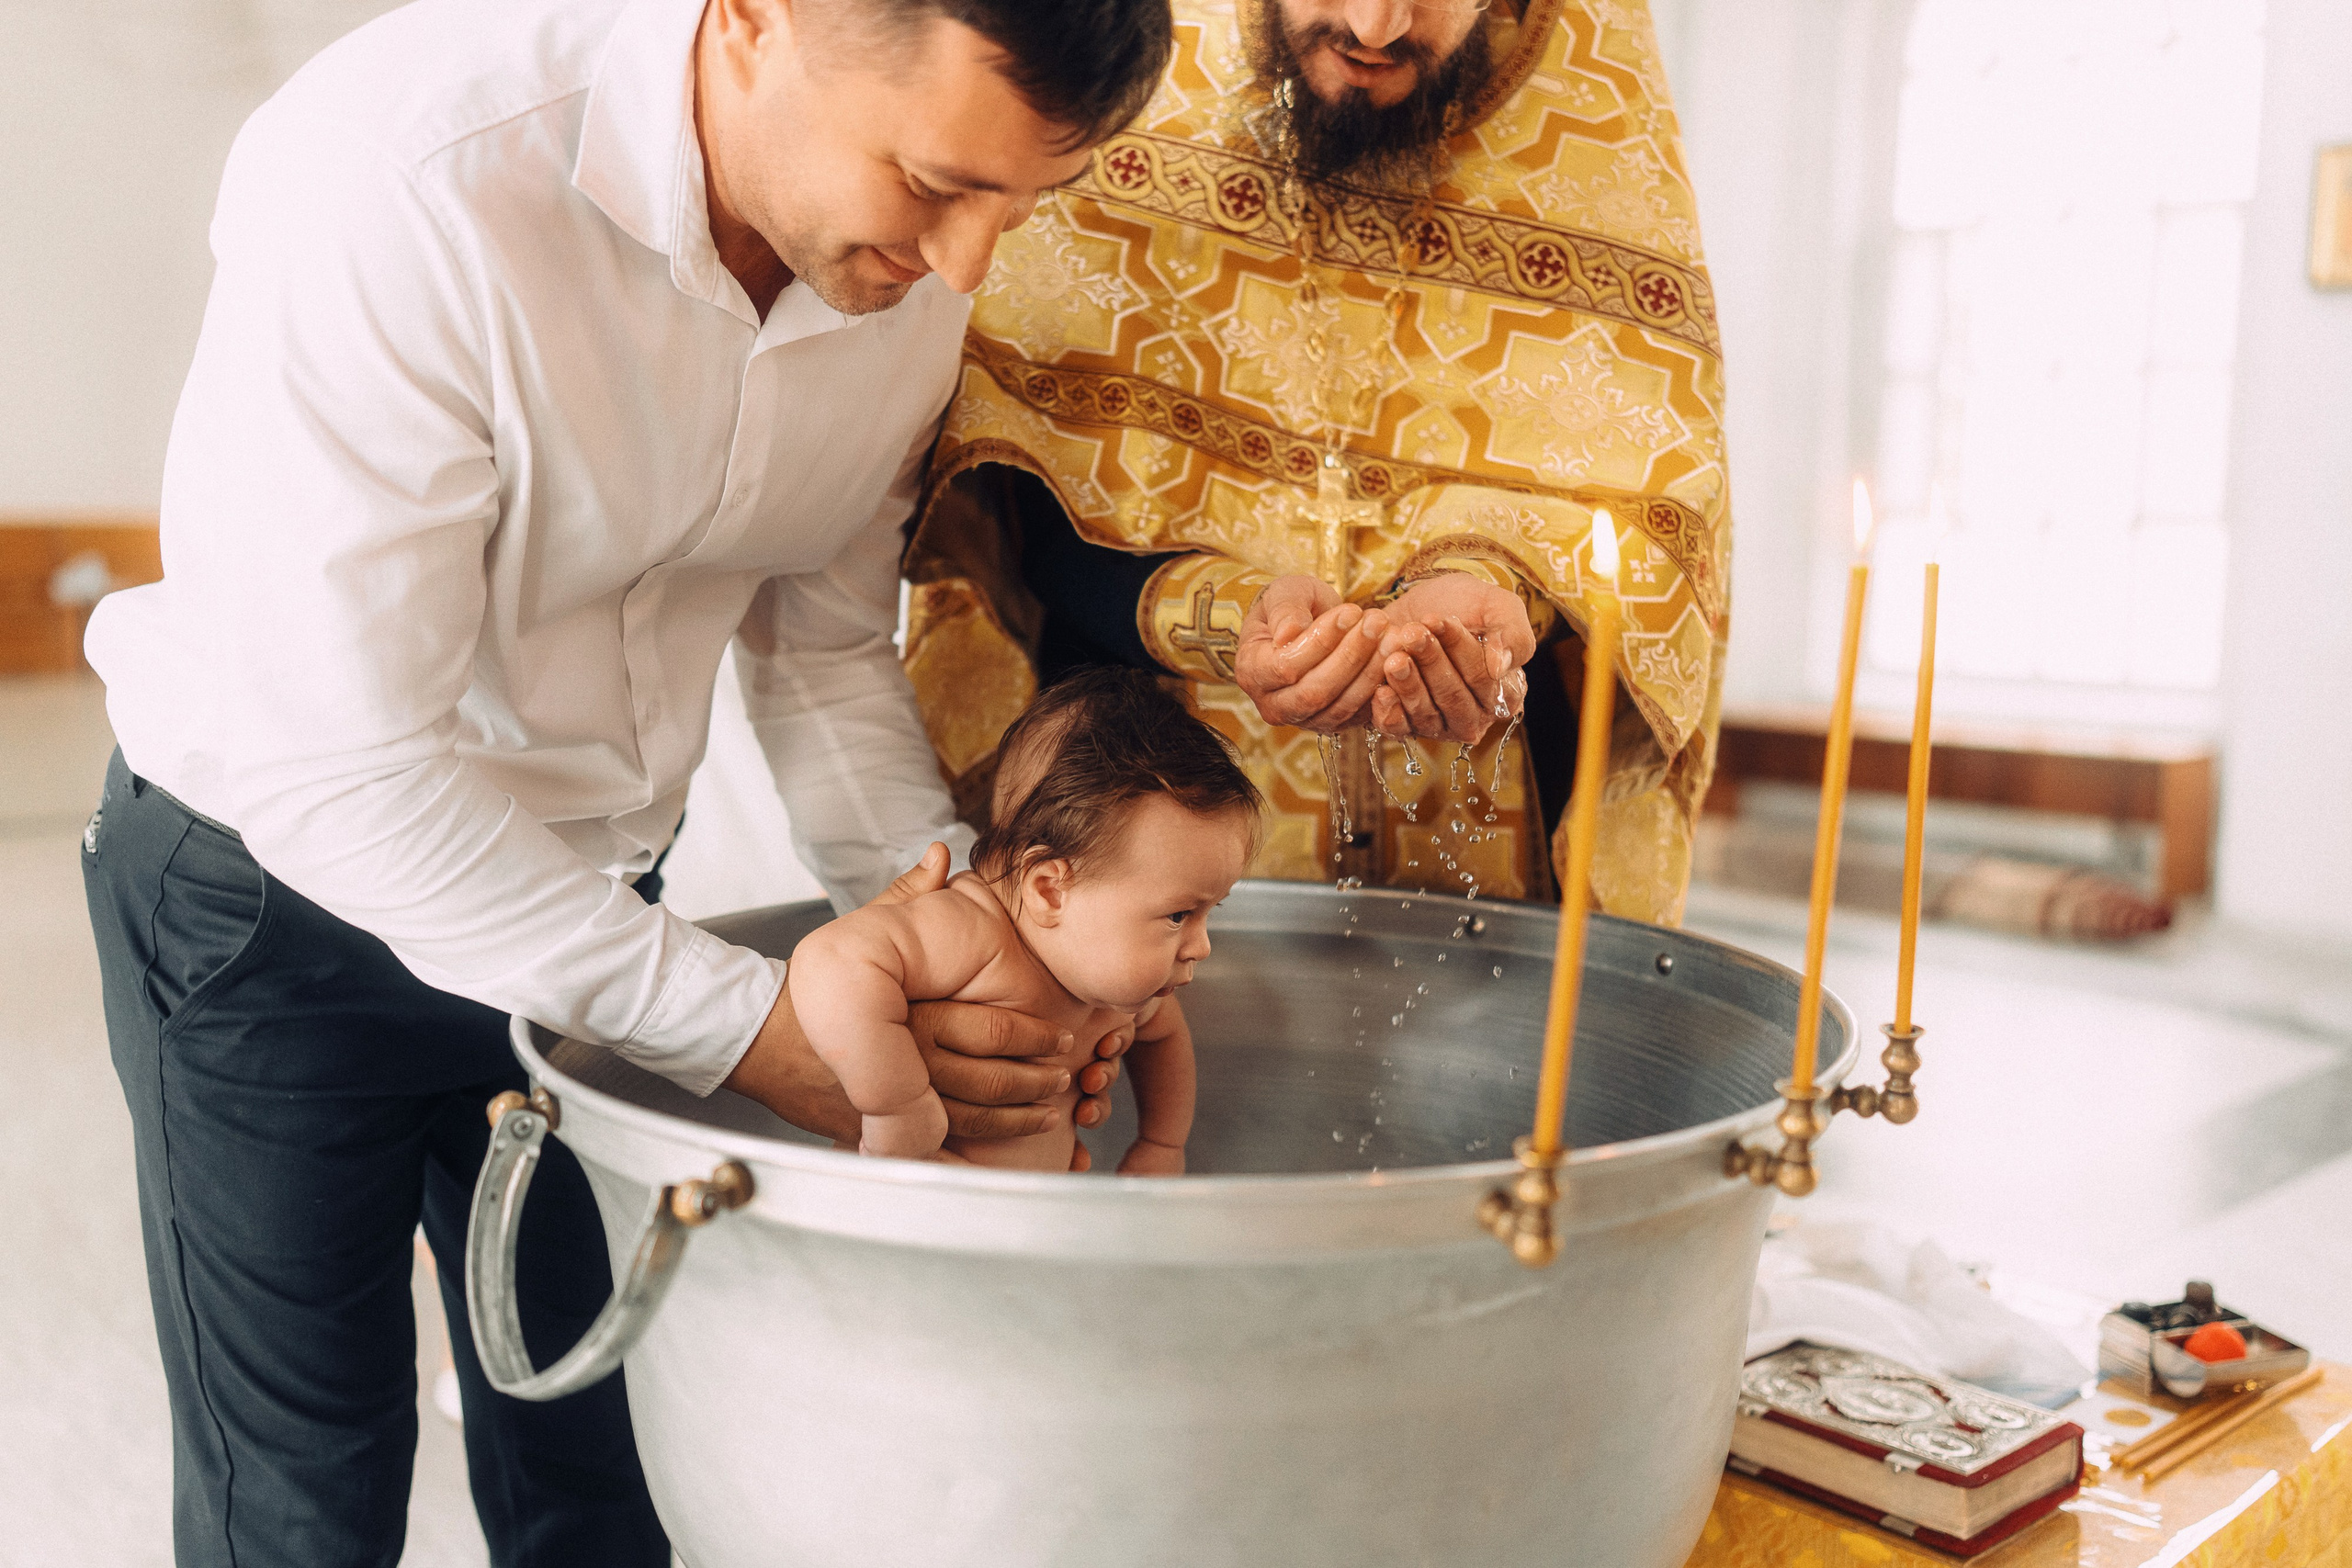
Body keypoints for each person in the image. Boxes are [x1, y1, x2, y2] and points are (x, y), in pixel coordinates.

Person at [77, 0, 1172, 1562]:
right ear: (755, 24)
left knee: (612, 1463)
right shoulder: (397, 180)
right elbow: (342, 767)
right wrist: (754, 1025)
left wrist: (974, 923)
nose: (972, 266)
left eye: (1022, 200)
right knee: (303, 1498)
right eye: (935, 181)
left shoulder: (909, 272)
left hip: (602, 902)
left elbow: (822, 652)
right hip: (270, 906)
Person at [903, 0, 1731, 924]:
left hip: (1488, 848)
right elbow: (1011, 474)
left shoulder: (1593, 104)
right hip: (1124, 824)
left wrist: (1488, 590)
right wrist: (1222, 619)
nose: (1375, 26)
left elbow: (1644, 511)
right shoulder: (1125, 60)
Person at [791, 668, 1258, 1172]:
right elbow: (828, 959)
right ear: (1050, 890)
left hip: (1027, 1223)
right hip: (910, 1213)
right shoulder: (971, 931)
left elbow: (1164, 1039)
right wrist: (896, 1103)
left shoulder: (1118, 988)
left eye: (1211, 911)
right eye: (1179, 915)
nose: (1201, 946)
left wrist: (1162, 1143)